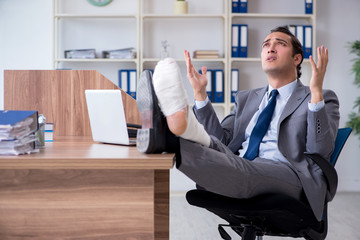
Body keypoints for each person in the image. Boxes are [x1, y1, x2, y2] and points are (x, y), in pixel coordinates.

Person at [136, 26, 339, 221]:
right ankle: (169, 129)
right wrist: (200, 94)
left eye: (280, 43)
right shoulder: (247, 98)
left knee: (242, 167)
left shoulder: (320, 98)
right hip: (238, 164)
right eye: (266, 44)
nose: (270, 47)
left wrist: (316, 95)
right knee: (213, 146)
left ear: (297, 59)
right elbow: (221, 139)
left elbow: (320, 151)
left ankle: (169, 135)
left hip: (289, 174)